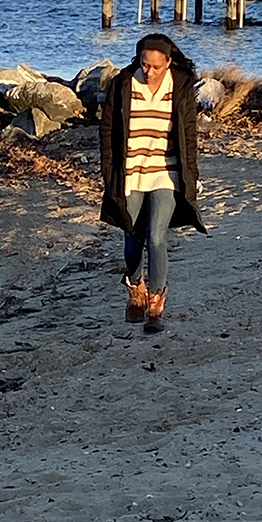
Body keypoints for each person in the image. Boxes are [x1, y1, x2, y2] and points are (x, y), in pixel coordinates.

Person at [99, 34, 205, 333]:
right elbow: (107, 132)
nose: (150, 71)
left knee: (156, 236)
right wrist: (109, 175)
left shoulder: (180, 86)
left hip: (166, 171)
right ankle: (135, 286)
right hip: (131, 172)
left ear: (168, 62)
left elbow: (188, 134)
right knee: (132, 237)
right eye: (145, 65)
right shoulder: (123, 84)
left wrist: (191, 178)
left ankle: (157, 299)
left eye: (156, 66)